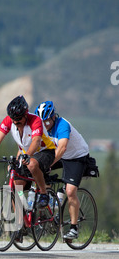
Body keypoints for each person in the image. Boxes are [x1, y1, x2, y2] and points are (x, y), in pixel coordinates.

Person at [0, 95, 56, 207]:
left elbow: (36, 141)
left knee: (31, 164)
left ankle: (43, 193)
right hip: (26, 154)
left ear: (25, 114)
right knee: (17, 186)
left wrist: (27, 155)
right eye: (13, 119)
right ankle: (21, 220)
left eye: (18, 119)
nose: (15, 122)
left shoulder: (35, 120)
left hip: (45, 151)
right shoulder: (9, 120)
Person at [35, 100, 90, 240]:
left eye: (47, 121)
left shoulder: (62, 125)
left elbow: (62, 148)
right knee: (38, 169)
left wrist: (50, 164)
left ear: (54, 117)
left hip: (76, 156)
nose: (45, 125)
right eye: (42, 122)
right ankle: (50, 200)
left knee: (71, 191)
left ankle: (74, 228)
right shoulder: (42, 127)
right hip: (61, 156)